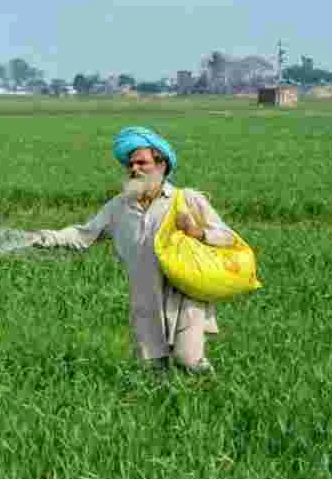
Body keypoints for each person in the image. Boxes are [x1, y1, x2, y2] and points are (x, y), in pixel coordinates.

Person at [29, 126, 241, 374]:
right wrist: (47, 237)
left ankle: (211, 394)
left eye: (142, 163)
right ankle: (164, 409)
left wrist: (197, 232)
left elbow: (228, 238)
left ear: (161, 165)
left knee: (189, 360)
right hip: (144, 298)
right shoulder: (118, 207)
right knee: (152, 368)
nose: (134, 169)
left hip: (184, 296)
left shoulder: (187, 200)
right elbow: (83, 234)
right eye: (130, 164)